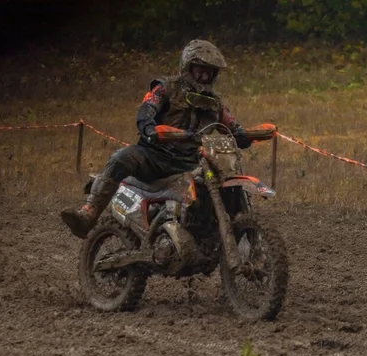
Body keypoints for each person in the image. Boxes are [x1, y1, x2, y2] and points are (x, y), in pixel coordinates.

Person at [61, 39, 253, 238]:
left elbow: (232, 127)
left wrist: (245, 135)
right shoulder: (165, 88)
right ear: (188, 67)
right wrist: (149, 128)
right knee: (121, 158)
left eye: (210, 71)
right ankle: (88, 214)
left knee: (224, 183)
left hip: (192, 162)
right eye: (201, 69)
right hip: (155, 156)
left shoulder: (215, 103)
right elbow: (147, 110)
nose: (205, 75)